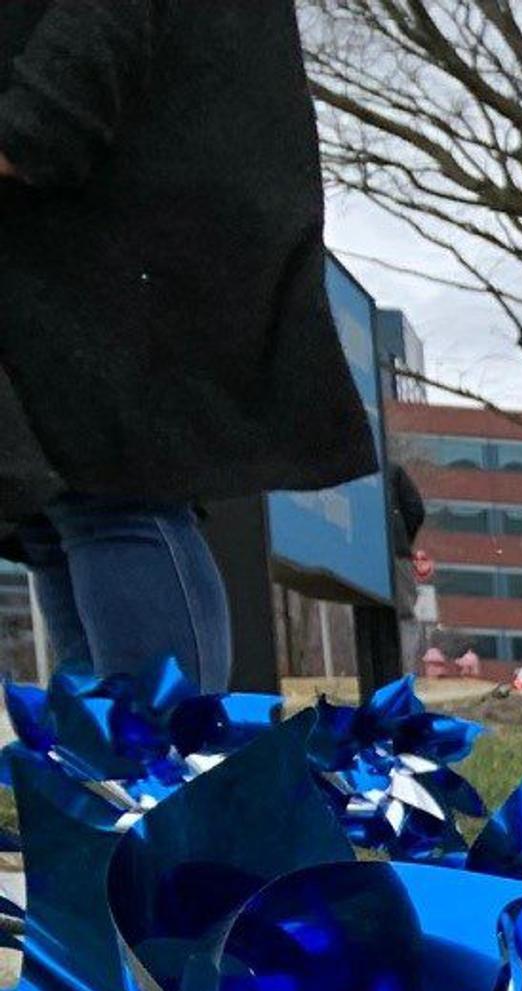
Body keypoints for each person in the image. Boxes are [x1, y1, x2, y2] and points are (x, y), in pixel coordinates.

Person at [0, 1, 373, 691]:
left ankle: (169, 775)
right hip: (72, 236)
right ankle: (108, 775)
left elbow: (87, 50)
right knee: (63, 515)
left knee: (114, 501)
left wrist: (36, 118)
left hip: (111, 225)